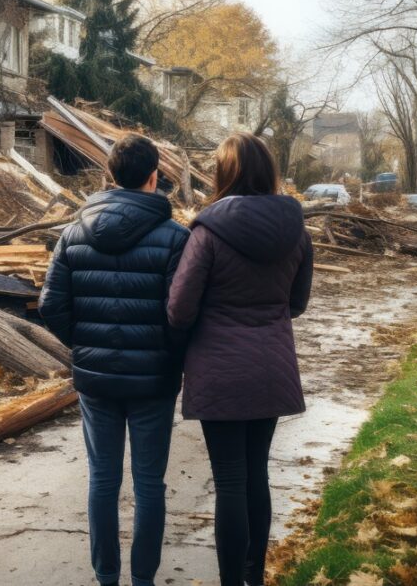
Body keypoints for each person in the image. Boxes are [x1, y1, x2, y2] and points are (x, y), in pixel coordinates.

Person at [38, 134, 190, 586]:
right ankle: (143, 578)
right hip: (153, 381)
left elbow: (50, 305)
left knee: (102, 480)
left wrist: (83, 342)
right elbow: (180, 313)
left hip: (96, 380)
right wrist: (170, 356)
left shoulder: (73, 232)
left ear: (109, 176)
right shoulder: (176, 237)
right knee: (149, 485)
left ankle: (106, 575)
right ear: (154, 177)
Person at [167, 133, 313, 586]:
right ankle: (255, 577)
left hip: (220, 370)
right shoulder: (296, 230)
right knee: (256, 475)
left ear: (223, 173)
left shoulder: (207, 232)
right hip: (271, 367)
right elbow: (298, 301)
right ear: (267, 171)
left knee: (229, 481)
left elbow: (179, 309)